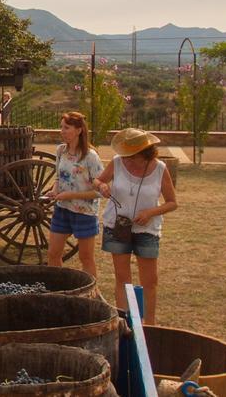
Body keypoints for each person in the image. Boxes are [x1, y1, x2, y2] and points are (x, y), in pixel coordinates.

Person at [93, 128, 178, 325]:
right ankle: (125, 322)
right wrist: (102, 186)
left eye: (132, 157)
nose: (127, 161)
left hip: (146, 230)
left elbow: (172, 202)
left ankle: (149, 325)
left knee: (149, 280)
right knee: (123, 278)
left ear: (145, 154)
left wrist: (150, 213)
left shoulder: (159, 168)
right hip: (118, 226)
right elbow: (97, 180)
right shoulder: (117, 162)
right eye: (125, 156)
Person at [46, 112, 103, 278]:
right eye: (61, 127)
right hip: (62, 209)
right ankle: (57, 289)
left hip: (84, 212)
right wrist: (55, 190)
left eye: (66, 128)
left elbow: (100, 191)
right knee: (53, 253)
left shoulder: (90, 157)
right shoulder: (61, 151)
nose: (62, 131)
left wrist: (71, 194)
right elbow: (58, 177)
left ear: (78, 130)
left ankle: (91, 293)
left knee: (85, 257)